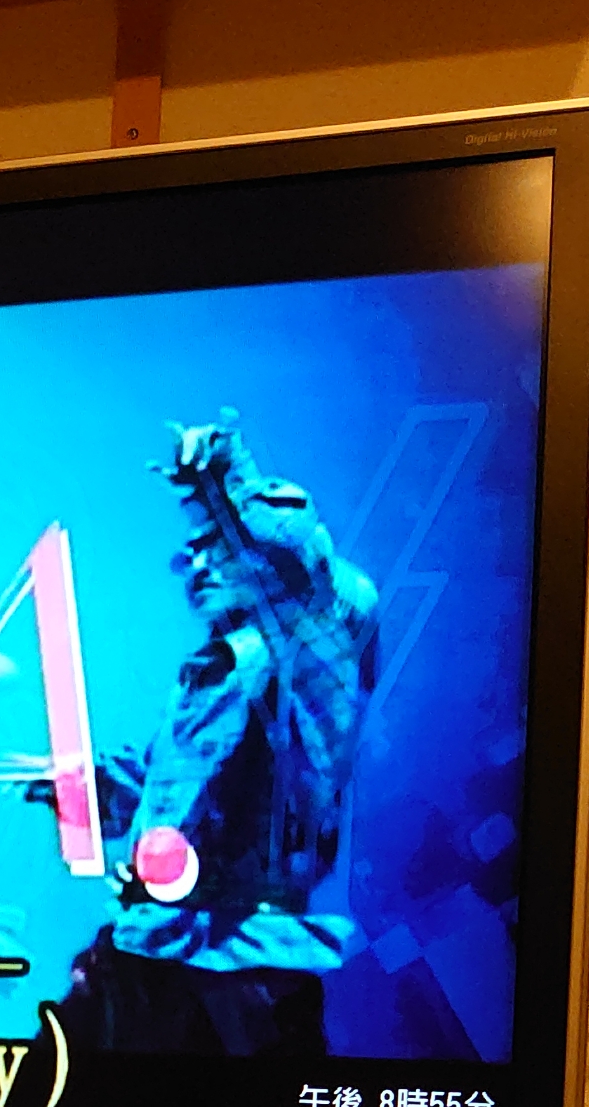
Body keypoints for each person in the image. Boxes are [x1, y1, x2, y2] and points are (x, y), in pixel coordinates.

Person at [58, 411, 379, 1058]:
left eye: (217, 546)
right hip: (154, 954)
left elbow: (301, 560)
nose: (197, 565)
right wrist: (73, 785)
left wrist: (228, 475)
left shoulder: (315, 648)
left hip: (244, 974)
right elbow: (158, 793)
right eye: (190, 552)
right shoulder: (210, 676)